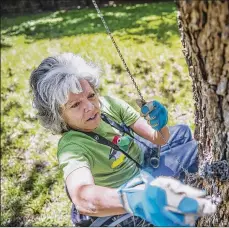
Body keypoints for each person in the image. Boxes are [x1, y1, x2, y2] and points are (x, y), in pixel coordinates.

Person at [29, 53, 216, 226]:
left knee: (182, 131)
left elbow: (158, 139)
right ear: (58, 116)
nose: (90, 107)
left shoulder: (109, 105)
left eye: (91, 95)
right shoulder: (71, 146)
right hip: (126, 191)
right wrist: (134, 199)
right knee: (195, 150)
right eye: (75, 104)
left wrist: (160, 126)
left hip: (138, 160)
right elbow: (82, 199)